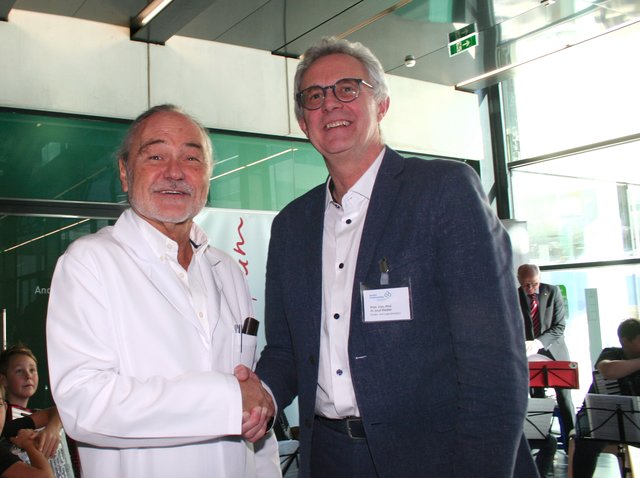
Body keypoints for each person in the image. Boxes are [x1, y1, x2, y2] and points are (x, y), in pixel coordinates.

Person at [254, 36, 537, 477]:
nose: (330, 104)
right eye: (314, 96)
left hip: (437, 459)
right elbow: (286, 351)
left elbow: (493, 364)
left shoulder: (444, 191)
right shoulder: (291, 226)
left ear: (381, 104)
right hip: (327, 459)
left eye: (347, 88)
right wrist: (260, 395)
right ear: (303, 121)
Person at [46, 104, 280, 478]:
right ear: (124, 173)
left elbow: (251, 399)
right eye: (155, 155)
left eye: (191, 158)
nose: (175, 172)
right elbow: (84, 405)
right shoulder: (89, 263)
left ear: (208, 176)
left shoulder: (226, 269)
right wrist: (225, 398)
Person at [572, 318, 640, 477]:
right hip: (600, 416)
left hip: (635, 421)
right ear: (625, 341)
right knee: (586, 441)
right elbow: (609, 371)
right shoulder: (611, 353)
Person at [517, 263, 576, 438]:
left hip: (554, 351)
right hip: (529, 354)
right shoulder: (514, 296)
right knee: (536, 399)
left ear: (539, 278)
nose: (530, 288)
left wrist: (538, 342)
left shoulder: (552, 292)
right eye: (525, 284)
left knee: (564, 398)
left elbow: (559, 326)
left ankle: (572, 439)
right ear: (518, 280)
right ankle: (541, 439)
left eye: (534, 284)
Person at [0, 344, 62, 459]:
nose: (28, 376)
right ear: (4, 380)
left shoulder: (39, 414)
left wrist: (53, 428)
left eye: (32, 370)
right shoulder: (3, 418)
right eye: (19, 371)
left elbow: (59, 411)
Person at [0, 383, 54, 478]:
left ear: (5, 407)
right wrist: (28, 443)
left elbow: (55, 412)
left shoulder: (7, 430)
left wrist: (53, 429)